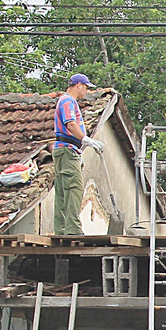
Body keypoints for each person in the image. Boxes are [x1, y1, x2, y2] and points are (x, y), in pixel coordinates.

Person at [52, 73, 103, 236]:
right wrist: (86, 139)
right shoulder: (68, 101)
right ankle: (72, 228)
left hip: (64, 150)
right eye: (86, 87)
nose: (86, 91)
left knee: (62, 191)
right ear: (78, 85)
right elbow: (71, 124)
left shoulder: (65, 100)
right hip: (68, 150)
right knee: (74, 188)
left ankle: (61, 228)